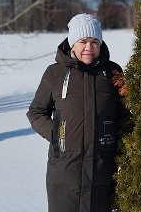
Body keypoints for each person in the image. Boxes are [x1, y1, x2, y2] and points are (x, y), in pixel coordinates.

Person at [26, 13, 124, 212]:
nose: (89, 47)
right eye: (83, 41)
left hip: (102, 172)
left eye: (95, 41)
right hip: (65, 173)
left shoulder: (113, 72)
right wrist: (56, 134)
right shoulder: (54, 73)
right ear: (73, 44)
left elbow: (123, 115)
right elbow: (36, 112)